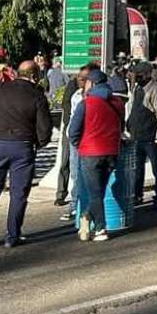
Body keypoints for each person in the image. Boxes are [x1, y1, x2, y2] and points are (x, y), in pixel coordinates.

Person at [0, 61, 52, 248]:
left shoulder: (0, 89)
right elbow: (44, 129)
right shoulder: (37, 96)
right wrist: (38, 144)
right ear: (34, 76)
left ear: (17, 73)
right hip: (23, 146)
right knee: (18, 193)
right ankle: (12, 235)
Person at [68, 69, 125, 242]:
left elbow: (73, 132)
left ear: (91, 83)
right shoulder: (118, 103)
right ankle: (86, 216)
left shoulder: (85, 104)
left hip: (90, 153)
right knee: (99, 190)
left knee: (94, 192)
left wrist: (80, 145)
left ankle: (100, 228)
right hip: (112, 152)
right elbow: (121, 126)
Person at [127, 61, 157, 207]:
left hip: (151, 137)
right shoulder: (137, 88)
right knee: (137, 168)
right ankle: (137, 195)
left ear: (146, 74)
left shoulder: (155, 89)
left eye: (139, 74)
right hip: (136, 135)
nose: (136, 76)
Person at [58, 65, 90, 220]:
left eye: (83, 79)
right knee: (75, 173)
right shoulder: (76, 95)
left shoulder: (93, 97)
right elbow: (71, 116)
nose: (80, 81)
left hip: (87, 139)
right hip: (74, 139)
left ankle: (78, 205)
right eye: (78, 78)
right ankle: (76, 204)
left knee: (86, 174)